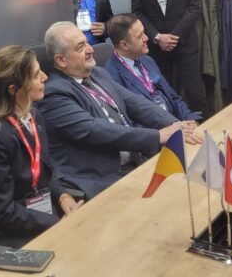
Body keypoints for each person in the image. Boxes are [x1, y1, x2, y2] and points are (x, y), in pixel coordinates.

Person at [38, 21, 201, 199]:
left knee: (194, 183)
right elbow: (96, 130)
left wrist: (175, 125)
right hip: (102, 178)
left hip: (136, 162)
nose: (90, 49)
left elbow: (136, 103)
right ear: (61, 60)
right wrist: (158, 136)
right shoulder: (54, 95)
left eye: (87, 42)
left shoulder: (98, 74)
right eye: (80, 47)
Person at [0, 46, 83, 249]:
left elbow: (44, 172)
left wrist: (62, 196)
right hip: (11, 234)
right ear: (14, 90)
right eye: (36, 75)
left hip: (39, 217)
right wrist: (57, 224)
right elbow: (2, 213)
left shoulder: (33, 115)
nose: (45, 77)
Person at [131, 0, 208, 116]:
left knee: (195, 92)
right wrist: (157, 37)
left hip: (184, 43)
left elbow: (195, 6)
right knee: (162, 93)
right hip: (156, 47)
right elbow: (137, 12)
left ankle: (205, 127)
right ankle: (172, 129)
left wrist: (174, 36)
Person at [104, 13, 201, 122]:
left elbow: (173, 97)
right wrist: (172, 128)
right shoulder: (111, 77)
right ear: (124, 45)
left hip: (177, 123)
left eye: (144, 32)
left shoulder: (147, 60)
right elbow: (130, 123)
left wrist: (190, 119)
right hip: (157, 130)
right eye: (140, 36)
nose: (146, 38)